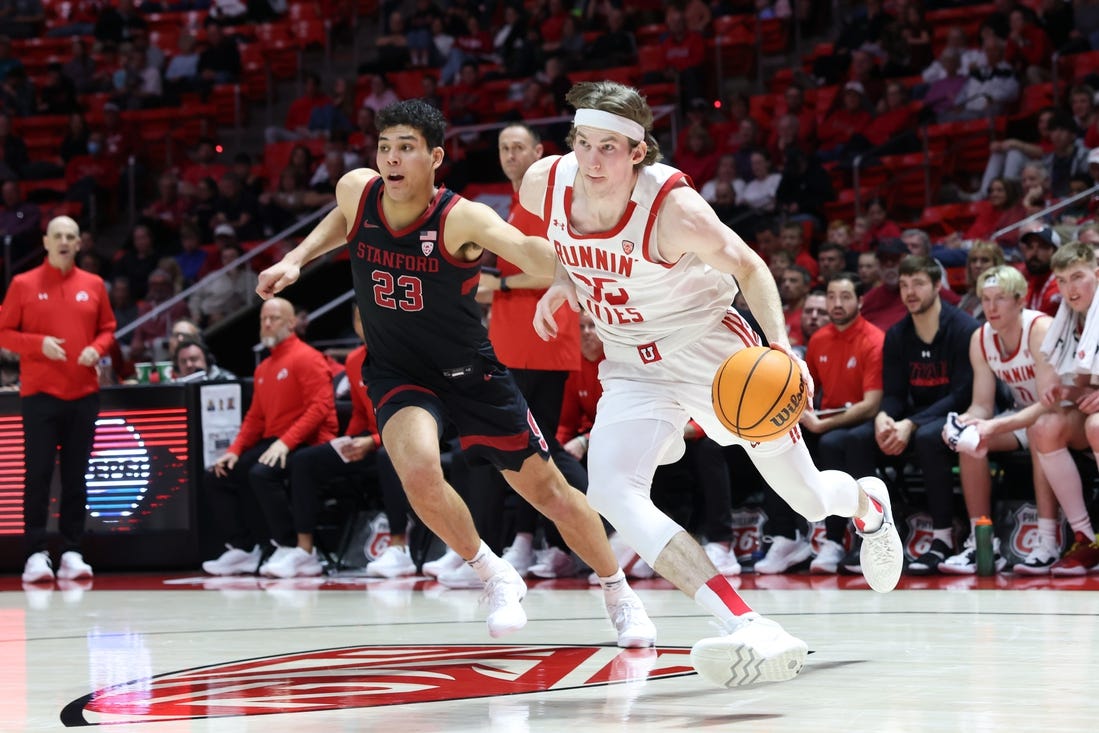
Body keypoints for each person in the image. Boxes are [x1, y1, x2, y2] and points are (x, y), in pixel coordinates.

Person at [528, 81, 903, 687]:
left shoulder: (673, 208)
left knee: (805, 498)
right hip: (629, 362)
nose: (591, 162)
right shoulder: (545, 182)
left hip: (712, 351)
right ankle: (745, 624)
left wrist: (782, 347)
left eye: (608, 148)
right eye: (582, 143)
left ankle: (868, 502)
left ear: (638, 152)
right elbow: (556, 241)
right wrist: (563, 282)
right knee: (611, 490)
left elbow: (750, 265)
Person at [254, 99, 656, 648]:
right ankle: (493, 572)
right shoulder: (358, 189)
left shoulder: (461, 216)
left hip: (471, 371)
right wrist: (297, 259)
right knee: (418, 472)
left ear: (435, 157)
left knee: (551, 493)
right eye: (385, 147)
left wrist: (570, 262)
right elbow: (341, 220)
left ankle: (618, 592)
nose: (392, 159)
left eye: (406, 148)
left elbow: (526, 251)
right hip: (398, 369)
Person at [464, 121, 586, 580]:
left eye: (519, 147)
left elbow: (559, 269)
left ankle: (551, 536)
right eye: (504, 147)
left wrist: (500, 283)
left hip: (544, 343)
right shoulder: (513, 207)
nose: (511, 154)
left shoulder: (547, 205)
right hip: (512, 344)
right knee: (518, 450)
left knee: (536, 448)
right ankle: (526, 542)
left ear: (539, 152)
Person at [0, 216, 116, 583]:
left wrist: (97, 349)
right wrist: (38, 344)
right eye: (58, 236)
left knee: (76, 477)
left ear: (80, 244)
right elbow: (3, 332)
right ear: (46, 242)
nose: (64, 241)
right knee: (37, 474)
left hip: (83, 394)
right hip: (39, 395)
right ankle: (35, 552)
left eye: (71, 236)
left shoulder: (94, 284)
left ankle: (72, 550)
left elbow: (108, 328)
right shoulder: (23, 283)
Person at [846, 256, 979, 574]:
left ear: (937, 286)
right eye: (904, 285)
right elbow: (893, 394)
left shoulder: (964, 328)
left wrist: (909, 424)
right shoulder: (897, 334)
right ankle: (881, 529)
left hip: (959, 414)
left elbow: (962, 393)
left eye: (918, 283)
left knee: (928, 437)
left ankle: (944, 537)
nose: (910, 292)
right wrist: (883, 418)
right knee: (853, 440)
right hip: (914, 416)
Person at [201, 298, 339, 576]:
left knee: (262, 473)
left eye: (274, 318)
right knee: (219, 473)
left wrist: (285, 443)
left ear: (290, 323)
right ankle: (244, 548)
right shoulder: (264, 367)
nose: (266, 324)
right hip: (277, 441)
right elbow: (255, 418)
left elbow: (320, 408)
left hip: (309, 442)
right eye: (263, 318)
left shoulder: (307, 357)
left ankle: (290, 546)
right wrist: (235, 450)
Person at [939, 265, 1060, 573]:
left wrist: (995, 424)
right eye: (986, 298)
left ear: (1021, 300)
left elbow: (1050, 403)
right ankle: (982, 540)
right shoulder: (980, 339)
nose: (990, 307)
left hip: (1059, 413)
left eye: (1000, 299)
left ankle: (1048, 539)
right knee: (971, 440)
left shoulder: (1040, 329)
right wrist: (963, 423)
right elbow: (982, 405)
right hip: (1023, 415)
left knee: (1038, 430)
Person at [1032, 242, 1099, 574]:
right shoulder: (1070, 317)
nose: (1070, 289)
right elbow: (1089, 385)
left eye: (1078, 277)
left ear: (1097, 274)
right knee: (1045, 428)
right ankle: (1085, 536)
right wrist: (1067, 389)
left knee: (1097, 426)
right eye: (1062, 280)